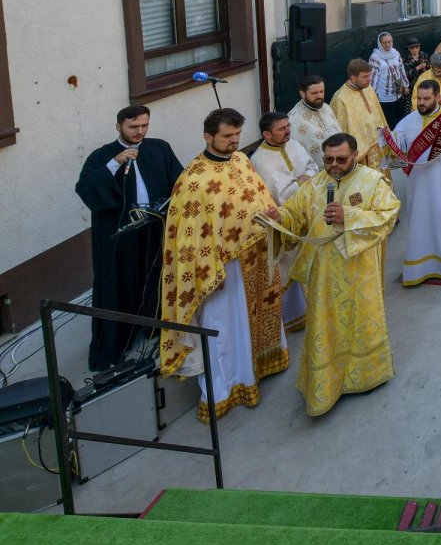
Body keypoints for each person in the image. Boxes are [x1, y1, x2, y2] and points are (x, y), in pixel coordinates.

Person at [159, 109, 288, 423]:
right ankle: (225, 389)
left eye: (237, 136)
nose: (234, 142)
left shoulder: (242, 161)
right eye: (227, 136)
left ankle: (261, 365)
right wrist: (202, 274)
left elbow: (258, 196)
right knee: (227, 330)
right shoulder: (193, 180)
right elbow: (186, 238)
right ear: (208, 136)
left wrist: (272, 213)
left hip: (257, 255)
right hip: (221, 268)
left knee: (259, 314)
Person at [261, 133, 399, 416]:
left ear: (355, 155)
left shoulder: (372, 182)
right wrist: (279, 218)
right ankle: (326, 384)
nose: (334, 165)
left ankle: (366, 376)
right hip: (323, 276)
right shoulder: (315, 185)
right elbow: (295, 216)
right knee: (325, 326)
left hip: (359, 274)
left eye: (341, 159)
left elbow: (389, 214)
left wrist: (350, 216)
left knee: (360, 323)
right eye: (328, 159)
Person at [75, 105, 183, 371]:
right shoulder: (101, 156)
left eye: (144, 126)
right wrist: (116, 162)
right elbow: (86, 188)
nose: (140, 132)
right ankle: (118, 342)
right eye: (133, 127)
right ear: (119, 126)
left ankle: (153, 327)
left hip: (154, 228)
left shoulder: (159, 148)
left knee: (155, 278)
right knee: (120, 284)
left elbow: (179, 182)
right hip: (121, 238)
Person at [381, 81, 441, 285]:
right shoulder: (408, 121)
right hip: (418, 185)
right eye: (419, 98)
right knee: (420, 224)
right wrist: (386, 137)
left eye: (427, 98)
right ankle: (421, 267)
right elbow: (398, 144)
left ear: (437, 97)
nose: (422, 102)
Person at [246, 111, 315, 333]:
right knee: (290, 269)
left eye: (288, 126)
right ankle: (293, 317)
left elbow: (313, 168)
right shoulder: (260, 161)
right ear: (267, 134)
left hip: (307, 214)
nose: (288, 131)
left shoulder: (294, 144)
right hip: (284, 223)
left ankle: (313, 309)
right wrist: (301, 181)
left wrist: (302, 180)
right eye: (281, 128)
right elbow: (279, 195)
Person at [330, 58, 390, 179]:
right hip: (362, 153)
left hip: (378, 145)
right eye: (365, 76)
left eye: (370, 75)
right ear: (353, 78)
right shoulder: (340, 99)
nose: (370, 79)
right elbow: (341, 130)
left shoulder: (369, 89)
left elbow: (379, 114)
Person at [288, 75, 343, 164]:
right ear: (302, 94)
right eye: (314, 93)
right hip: (316, 172)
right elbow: (296, 154)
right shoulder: (293, 119)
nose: (319, 96)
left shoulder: (326, 107)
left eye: (322, 91)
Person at [368, 32, 410, 127]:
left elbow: (401, 69)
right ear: (380, 43)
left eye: (389, 42)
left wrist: (405, 85)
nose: (387, 44)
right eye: (385, 42)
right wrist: (372, 95)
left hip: (398, 94)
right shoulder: (375, 57)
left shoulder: (395, 53)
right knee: (388, 122)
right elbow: (372, 78)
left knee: (399, 120)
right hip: (384, 97)